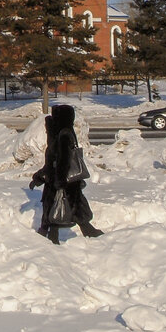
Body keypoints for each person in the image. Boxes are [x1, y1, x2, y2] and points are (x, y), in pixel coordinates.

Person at [46, 104, 103, 243]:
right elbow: (61, 156)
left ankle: (55, 235)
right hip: (67, 177)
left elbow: (63, 158)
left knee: (62, 203)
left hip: (63, 176)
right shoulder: (66, 131)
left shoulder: (63, 133)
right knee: (69, 203)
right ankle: (86, 230)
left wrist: (59, 180)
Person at [29, 113, 58, 239]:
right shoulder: (58, 140)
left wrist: (38, 178)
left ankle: (52, 235)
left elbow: (50, 167)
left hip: (57, 183)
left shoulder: (56, 143)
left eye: (47, 129)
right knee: (51, 207)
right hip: (56, 182)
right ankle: (46, 231)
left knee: (55, 208)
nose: (46, 131)